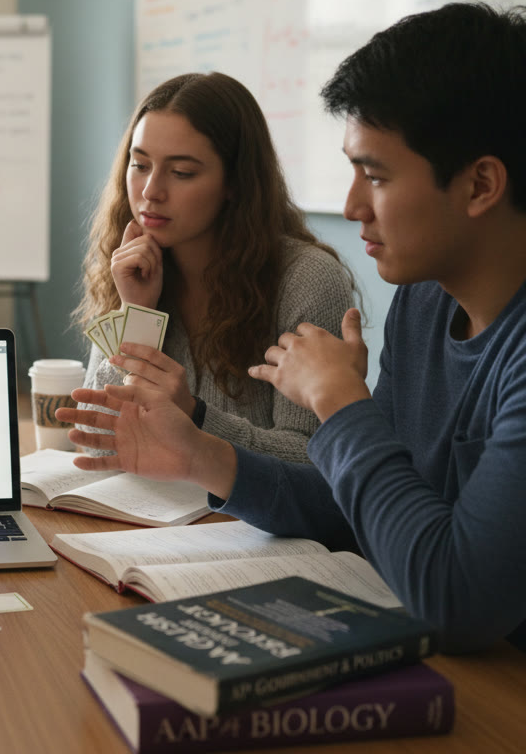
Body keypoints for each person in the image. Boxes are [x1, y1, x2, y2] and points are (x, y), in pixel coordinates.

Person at [57, 3, 526, 708]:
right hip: (450, 666)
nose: (351, 208)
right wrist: (199, 454)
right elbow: (357, 507)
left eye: (374, 177)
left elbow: (458, 598)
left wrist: (344, 406)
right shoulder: (428, 294)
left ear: (480, 185)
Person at [75, 72, 356, 464]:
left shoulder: (307, 280)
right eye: (139, 165)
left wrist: (195, 418)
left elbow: (313, 461)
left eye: (181, 172)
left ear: (235, 183)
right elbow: (95, 441)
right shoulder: (131, 266)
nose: (151, 191)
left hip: (247, 509)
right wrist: (136, 313)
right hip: (146, 503)